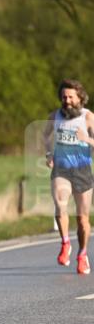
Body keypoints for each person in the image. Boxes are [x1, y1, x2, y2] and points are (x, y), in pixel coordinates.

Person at [44, 78, 93, 275]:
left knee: (82, 219)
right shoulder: (55, 116)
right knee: (60, 204)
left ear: (79, 98)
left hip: (82, 170)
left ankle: (82, 254)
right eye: (64, 97)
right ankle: (65, 243)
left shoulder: (88, 117)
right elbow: (46, 135)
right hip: (61, 170)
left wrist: (86, 139)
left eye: (71, 97)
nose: (67, 100)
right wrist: (49, 154)